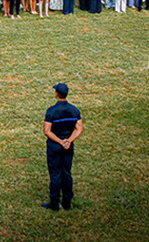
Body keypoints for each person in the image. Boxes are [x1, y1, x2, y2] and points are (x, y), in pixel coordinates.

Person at [42, 83, 83, 211]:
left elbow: (47, 131)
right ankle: (67, 202)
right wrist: (68, 141)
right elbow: (79, 128)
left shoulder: (51, 111)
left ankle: (54, 203)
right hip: (68, 146)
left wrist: (60, 141)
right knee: (66, 173)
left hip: (54, 146)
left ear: (56, 94)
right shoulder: (74, 110)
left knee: (55, 174)